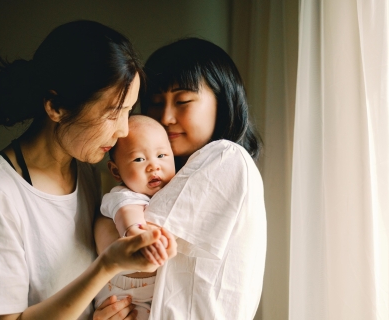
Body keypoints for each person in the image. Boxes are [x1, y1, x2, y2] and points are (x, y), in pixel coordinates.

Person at [0, 20, 176, 320]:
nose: (124, 131)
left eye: (128, 111)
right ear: (56, 107)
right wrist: (107, 265)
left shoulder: (86, 172)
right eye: (113, 113)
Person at [95, 37, 267, 319]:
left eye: (183, 101)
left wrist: (109, 217)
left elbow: (131, 253)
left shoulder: (225, 158)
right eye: (155, 102)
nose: (166, 117)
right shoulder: (161, 179)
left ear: (222, 103)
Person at [94, 115, 176, 320]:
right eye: (139, 159)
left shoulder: (171, 192)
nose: (153, 166)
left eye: (162, 155)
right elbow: (126, 210)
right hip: (123, 294)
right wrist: (135, 231)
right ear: (115, 171)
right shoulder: (122, 194)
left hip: (152, 293)